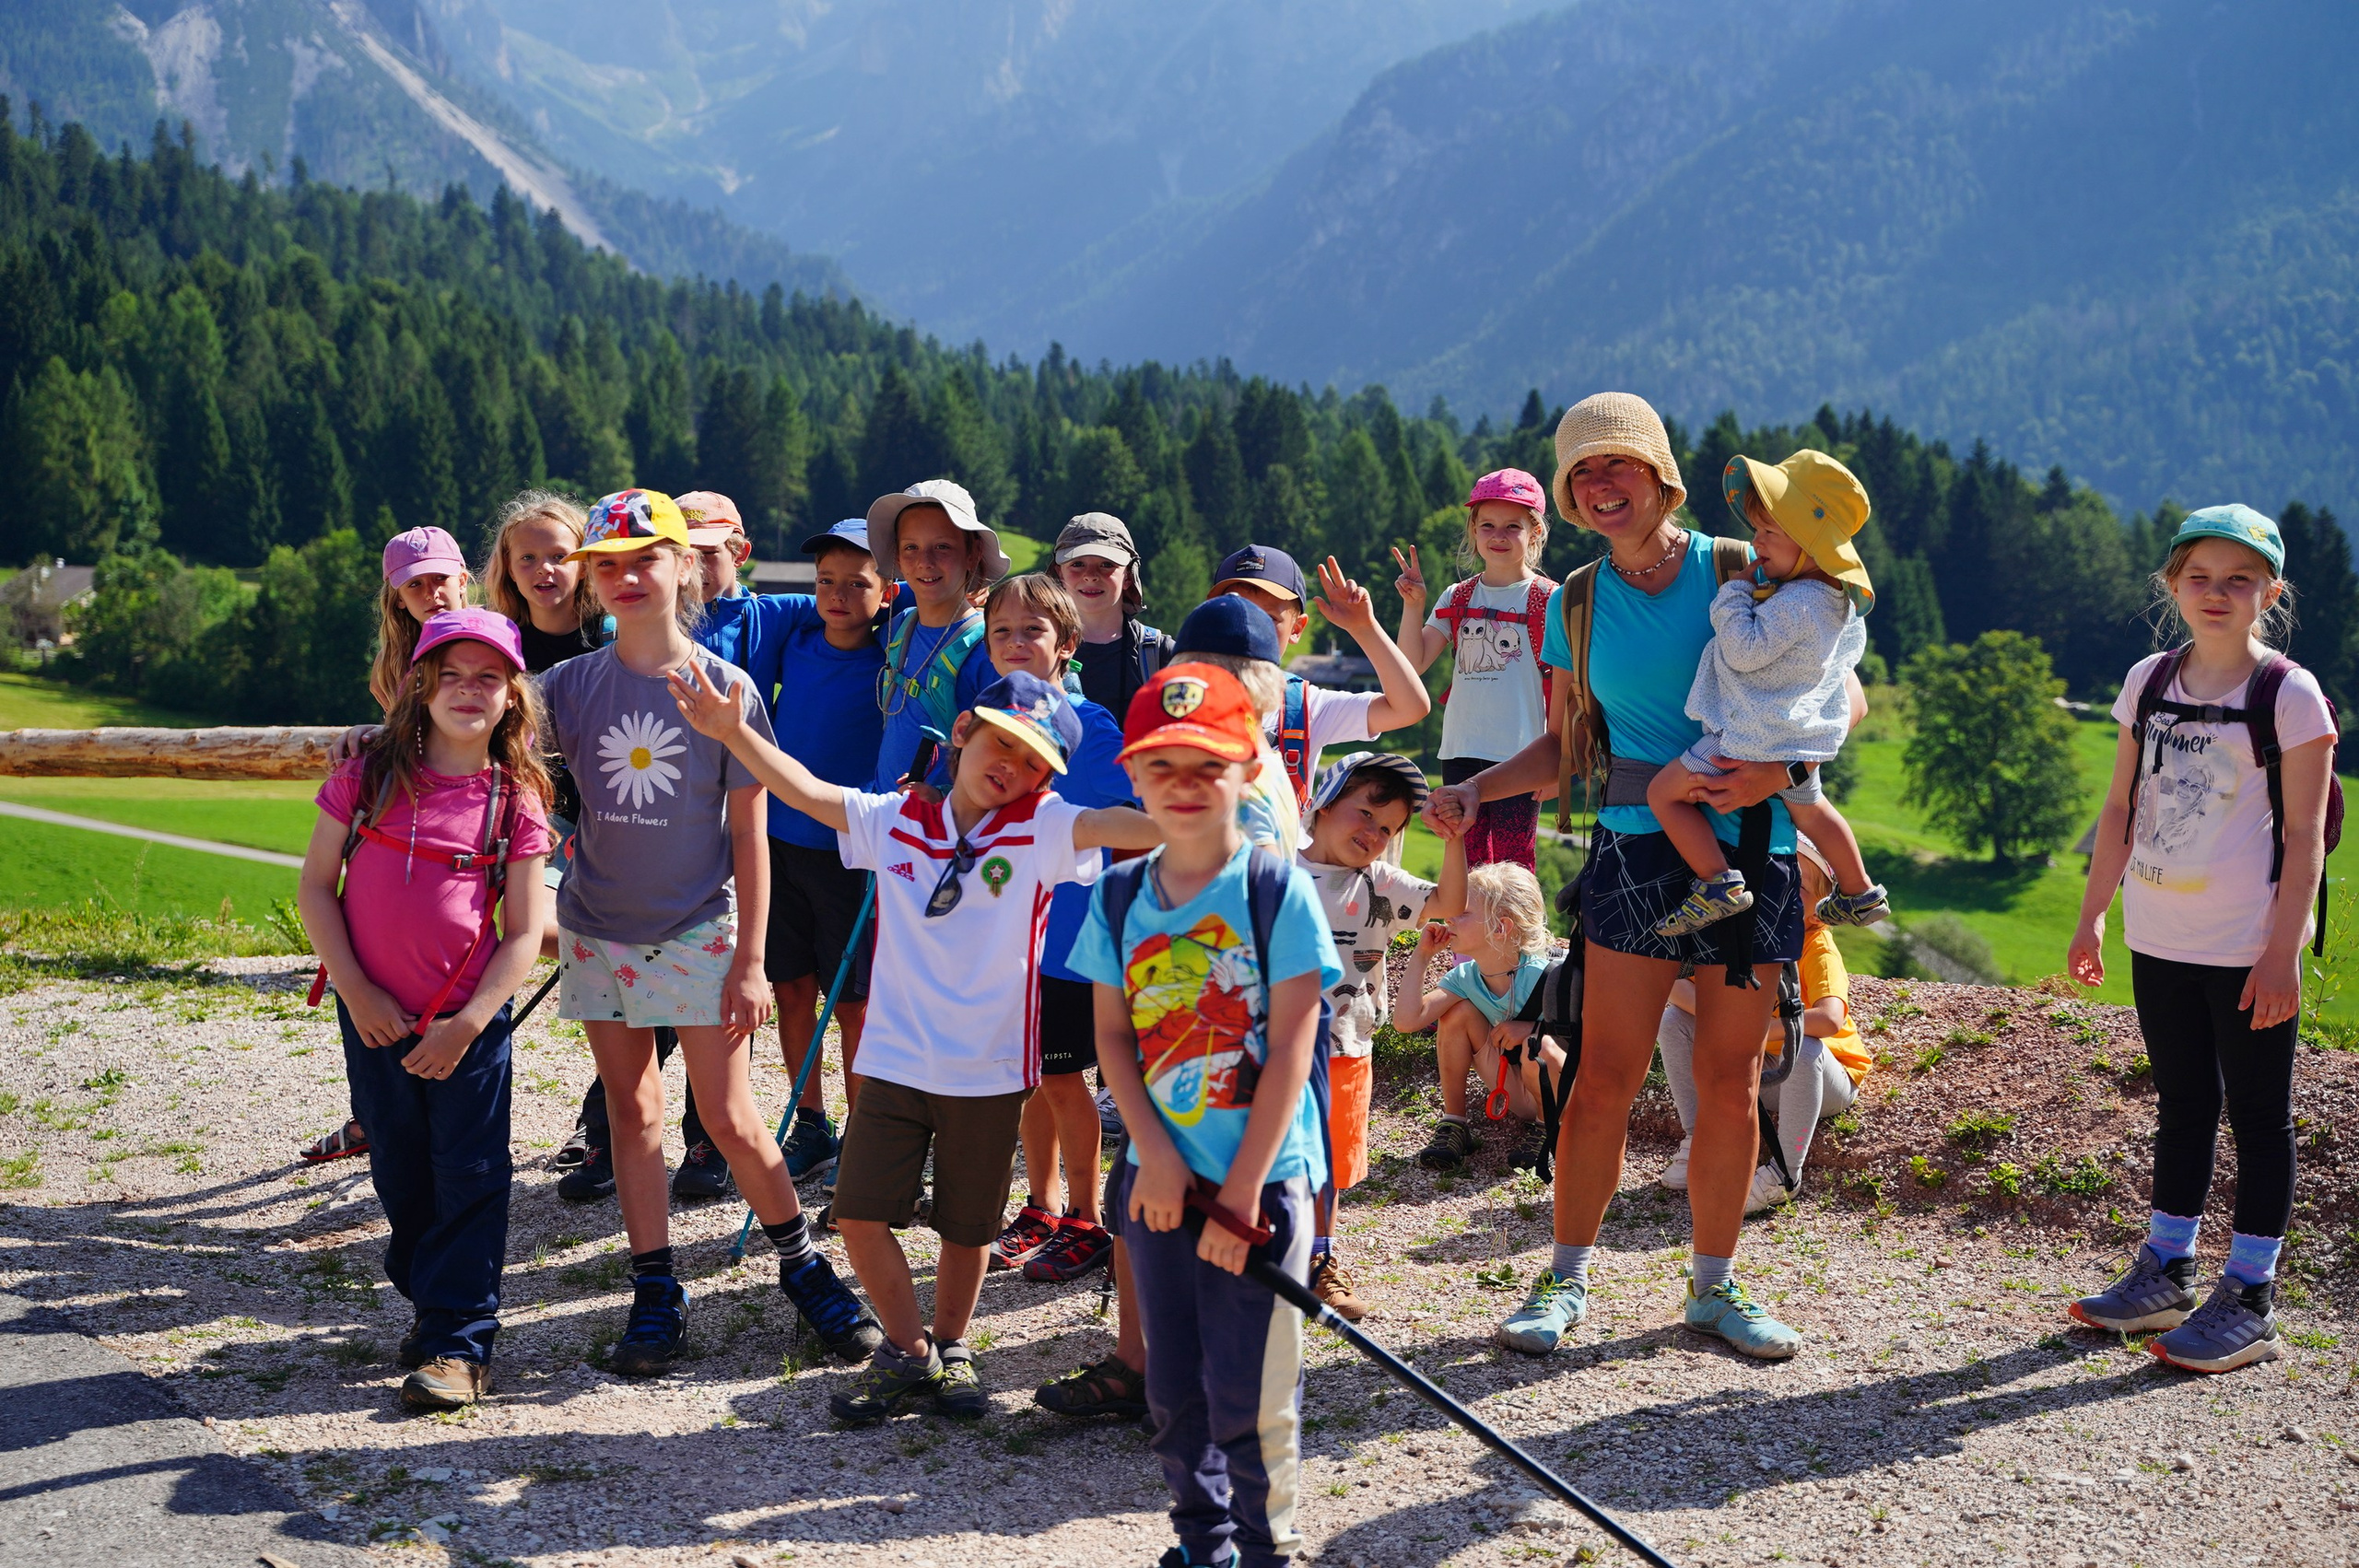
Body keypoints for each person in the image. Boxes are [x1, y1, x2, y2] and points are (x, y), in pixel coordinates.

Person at [1425, 391, 1813, 1363]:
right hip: (1634, 846)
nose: (1600, 486)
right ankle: (1562, 1276)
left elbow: (1828, 685)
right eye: (1581, 473)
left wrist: (1789, 772)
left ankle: (1713, 1290)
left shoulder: (1740, 571)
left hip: (1750, 846)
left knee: (1728, 1083)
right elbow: (1563, 749)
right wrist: (1476, 792)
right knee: (1602, 1078)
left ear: (1660, 476)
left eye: (1617, 465)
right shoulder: (1577, 604)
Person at [673, 660, 1158, 1424]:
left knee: (967, 1228)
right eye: (1002, 744)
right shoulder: (896, 818)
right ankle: (909, 1351)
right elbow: (809, 793)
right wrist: (736, 733)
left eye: (1035, 761)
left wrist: (1210, 810)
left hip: (992, 1069)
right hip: (895, 1060)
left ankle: (953, 1346)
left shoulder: (1045, 825)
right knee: (861, 1214)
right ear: (962, 732)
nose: (1014, 767)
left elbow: (1122, 827)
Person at [541, 488, 879, 1375]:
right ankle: (656, 1288)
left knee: (730, 1118)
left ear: (684, 566)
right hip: (595, 931)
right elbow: (467, 727)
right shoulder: (568, 687)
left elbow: (749, 833)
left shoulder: (723, 689)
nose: (624, 577)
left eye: (644, 559)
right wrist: (366, 741)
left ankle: (802, 1266)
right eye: (605, 565)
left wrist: (754, 963)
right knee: (632, 1114)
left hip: (699, 932)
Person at [1067, 661, 1340, 1568]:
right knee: (1174, 1391)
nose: (1183, 787)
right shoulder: (1115, 896)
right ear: (1134, 776)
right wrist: (1154, 1153)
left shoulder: (1274, 890)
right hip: (1159, 1186)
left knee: (1250, 1393)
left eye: (1207, 765)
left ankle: (1264, 1549)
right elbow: (1112, 1038)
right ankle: (1204, 1542)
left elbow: (1295, 1049)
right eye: (1163, 767)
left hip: (1259, 1189)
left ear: (1249, 765)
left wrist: (1240, 1196)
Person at [2066, 505, 2332, 1375]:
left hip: (2248, 943)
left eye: (2239, 580)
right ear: (2172, 587)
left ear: (2271, 592)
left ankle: (2250, 1293)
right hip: (2160, 933)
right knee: (2182, 1101)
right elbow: (2119, 808)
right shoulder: (2149, 680)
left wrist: (2282, 951)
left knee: (2259, 1116)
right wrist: (2093, 912)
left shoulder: (2289, 696)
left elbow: (2303, 841)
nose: (2217, 594)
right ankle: (2167, 1271)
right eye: (2200, 578)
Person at [296, 609, 555, 1411]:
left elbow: (524, 935)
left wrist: (471, 1023)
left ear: (512, 695)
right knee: (402, 1171)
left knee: (471, 1175)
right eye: (452, 674)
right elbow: (315, 888)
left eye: (488, 677)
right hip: (373, 1018)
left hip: (468, 1029)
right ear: (422, 685)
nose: (468, 690)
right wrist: (358, 990)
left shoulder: (516, 801)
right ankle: (432, 1301)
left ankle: (460, 1341)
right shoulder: (367, 778)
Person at [1645, 451, 1886, 936]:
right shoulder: (1835, 605)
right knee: (1812, 810)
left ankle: (1717, 882)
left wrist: (1733, 595)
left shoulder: (1795, 602)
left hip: (1748, 738)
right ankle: (1860, 890)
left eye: (1770, 533)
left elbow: (1743, 652)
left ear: (1814, 546)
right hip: (1794, 740)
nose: (1756, 543)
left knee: (1663, 794)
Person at [973, 574, 1134, 1284]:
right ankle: (1038, 1209)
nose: (1015, 643)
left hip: (1070, 942)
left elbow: (1124, 826)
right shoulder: (985, 719)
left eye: (1032, 632)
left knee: (1067, 1083)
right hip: (1009, 936)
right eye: (1002, 631)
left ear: (1066, 645)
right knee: (1030, 1079)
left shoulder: (1090, 726)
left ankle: (1086, 1220)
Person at [300, 526, 475, 1167]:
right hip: (408, 836)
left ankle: (405, 1114)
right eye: (416, 585)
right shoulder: (397, 663)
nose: (432, 593)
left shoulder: (484, 643)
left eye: (440, 579)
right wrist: (375, 730)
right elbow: (413, 733)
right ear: (396, 596)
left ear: (465, 579)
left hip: (471, 835)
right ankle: (382, 1112)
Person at [738, 519, 893, 1188]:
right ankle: (811, 1124)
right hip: (778, 843)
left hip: (848, 852)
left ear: (886, 591)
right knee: (791, 987)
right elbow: (748, 607)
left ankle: (866, 1137)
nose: (836, 596)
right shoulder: (794, 641)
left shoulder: (896, 657)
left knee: (853, 1002)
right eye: (825, 582)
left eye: (857, 584)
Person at [1295, 751, 1440, 1319]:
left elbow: (1448, 902)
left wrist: (1453, 839)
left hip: (1346, 1046)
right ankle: (1264, 1255)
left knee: (1328, 1162)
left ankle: (1319, 1259)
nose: (1373, 833)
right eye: (1365, 813)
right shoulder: (1273, 869)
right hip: (1274, 1047)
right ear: (1325, 805)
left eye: (1387, 829)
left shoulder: (1379, 882)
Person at [1656, 835, 1870, 1211]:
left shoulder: (1816, 946)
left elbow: (1831, 1019)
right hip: (1759, 1070)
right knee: (1674, 1021)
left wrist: (1750, 1030)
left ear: (1818, 911)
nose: (1783, 893)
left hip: (1824, 1079)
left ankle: (1786, 1173)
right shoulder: (1744, 935)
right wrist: (1723, 1026)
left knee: (1803, 1047)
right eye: (1776, 881)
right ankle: (1698, 1138)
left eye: (1798, 888)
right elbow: (1676, 988)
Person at [1392, 469, 1557, 871]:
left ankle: (1518, 934)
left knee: (1515, 864)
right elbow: (1411, 665)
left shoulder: (1550, 599)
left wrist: (1559, 767)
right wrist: (1413, 606)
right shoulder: (1458, 596)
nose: (1498, 536)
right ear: (1474, 530)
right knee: (1465, 861)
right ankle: (1466, 933)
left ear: (1535, 532)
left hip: (1523, 755)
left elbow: (1569, 690)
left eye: (1512, 526)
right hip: (1461, 749)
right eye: (1488, 525)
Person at [1208, 544, 1431, 807]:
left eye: (1268, 617)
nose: (1249, 626)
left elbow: (1409, 708)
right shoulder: (1180, 691)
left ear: (1297, 629)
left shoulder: (1305, 706)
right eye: (1235, 611)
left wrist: (1364, 629)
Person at [1392, 835, 1553, 1174]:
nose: (1448, 918)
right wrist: (1421, 957)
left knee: (1536, 1047)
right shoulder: (1466, 976)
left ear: (1500, 927)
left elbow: (1589, 1037)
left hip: (1559, 1090)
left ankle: (1549, 1129)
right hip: (1512, 1085)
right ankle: (1455, 1124)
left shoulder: (1548, 975)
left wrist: (1533, 1028)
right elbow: (1406, 1021)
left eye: (1461, 912)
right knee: (1457, 1014)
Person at [869, 480, 1005, 791]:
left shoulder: (990, 651)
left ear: (973, 555)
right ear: (898, 558)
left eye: (942, 547)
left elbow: (1004, 760)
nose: (924, 562)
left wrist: (943, 800)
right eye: (910, 548)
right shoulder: (899, 627)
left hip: (944, 831)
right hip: (886, 823)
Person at [1053, 511, 1172, 719]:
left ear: (1128, 576)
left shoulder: (1160, 654)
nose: (1090, 576)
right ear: (1059, 574)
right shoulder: (1040, 649)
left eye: (1106, 565)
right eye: (1077, 564)